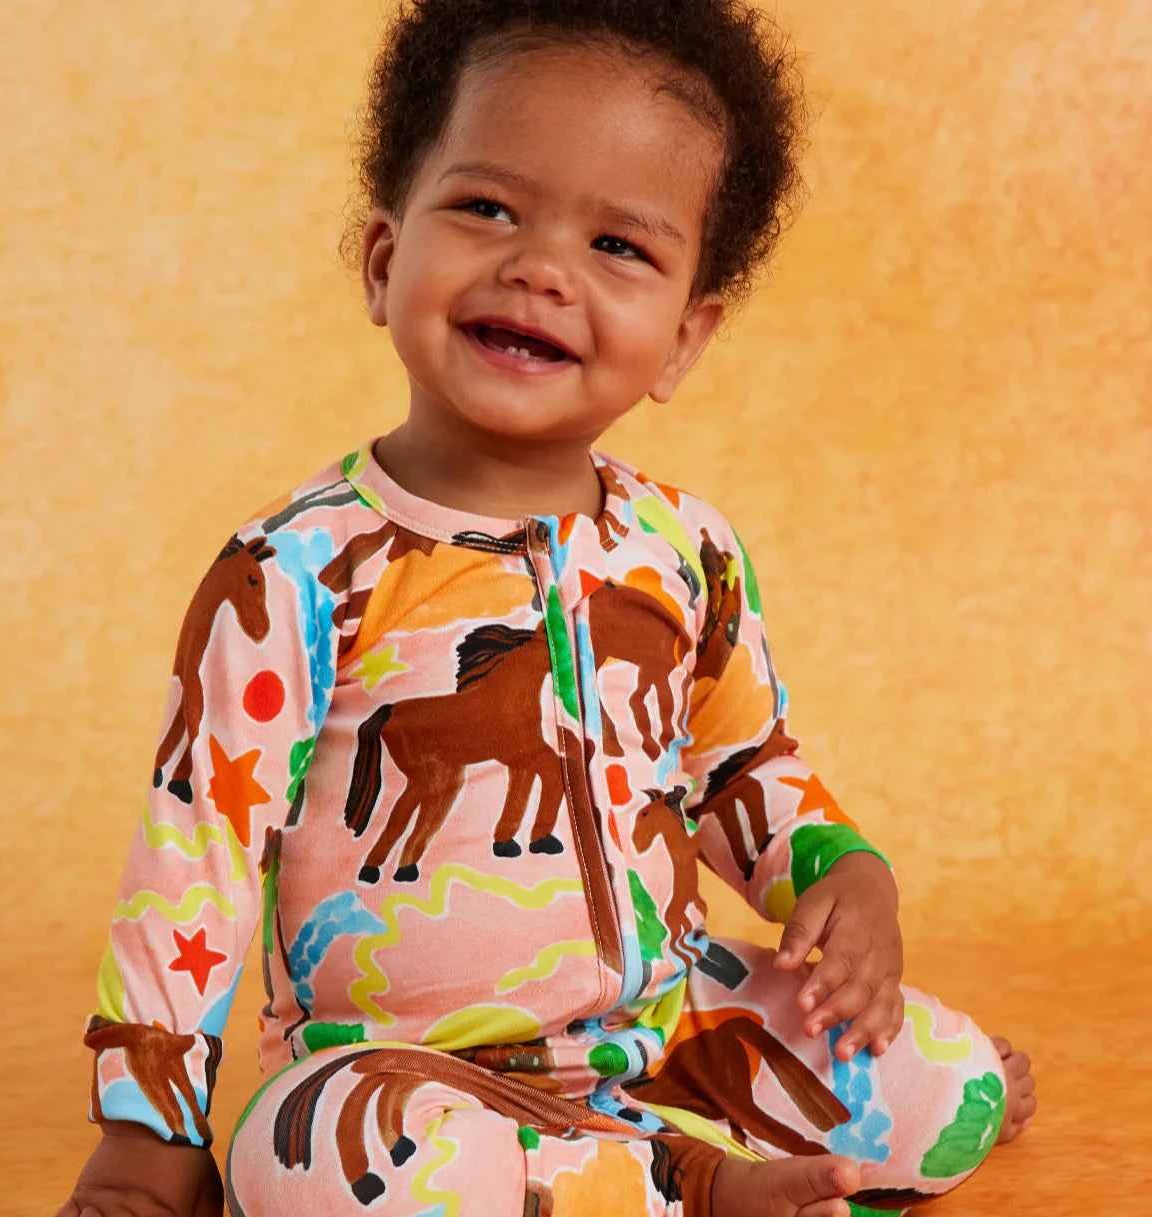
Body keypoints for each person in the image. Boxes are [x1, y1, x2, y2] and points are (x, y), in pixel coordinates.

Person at [58, 2, 1036, 1215]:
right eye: (486, 208)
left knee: (941, 1086)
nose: (540, 267)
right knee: (328, 1170)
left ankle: (633, 1161)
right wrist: (149, 1126)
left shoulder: (687, 549)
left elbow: (740, 766)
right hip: (396, 1072)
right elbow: (194, 849)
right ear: (381, 258)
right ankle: (686, 1182)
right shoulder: (293, 569)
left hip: (660, 1029)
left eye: (619, 246)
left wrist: (847, 875)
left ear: (681, 340)